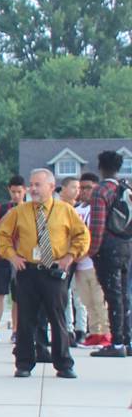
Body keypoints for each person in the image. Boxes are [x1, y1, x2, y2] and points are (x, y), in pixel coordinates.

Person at [0, 168, 89, 379]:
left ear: (51, 187)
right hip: (28, 270)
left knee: (58, 319)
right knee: (26, 320)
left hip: (53, 272)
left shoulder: (65, 210)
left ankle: (63, 364)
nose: (33, 189)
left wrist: (70, 256)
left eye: (38, 185)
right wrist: (12, 256)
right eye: (31, 184)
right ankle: (24, 363)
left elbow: (82, 236)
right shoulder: (20, 211)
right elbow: (2, 234)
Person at [90, 151, 131, 357]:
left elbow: (97, 226)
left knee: (112, 296)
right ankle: (127, 340)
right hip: (126, 246)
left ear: (100, 166)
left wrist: (92, 251)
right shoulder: (126, 188)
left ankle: (116, 344)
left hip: (108, 247)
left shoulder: (101, 191)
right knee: (124, 295)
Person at [0, 176, 26, 344]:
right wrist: (7, 216)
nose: (16, 195)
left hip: (21, 258)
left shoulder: (30, 209)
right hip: (3, 256)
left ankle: (16, 330)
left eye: (19, 192)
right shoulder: (1, 208)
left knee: (18, 296)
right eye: (13, 192)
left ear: (25, 191)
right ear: (9, 191)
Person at [72, 172, 109, 346]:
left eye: (88, 187)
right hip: (79, 264)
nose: (85, 191)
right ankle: (94, 332)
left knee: (100, 300)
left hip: (95, 261)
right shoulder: (75, 210)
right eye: (82, 188)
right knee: (86, 301)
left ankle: (107, 333)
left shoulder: (99, 208)